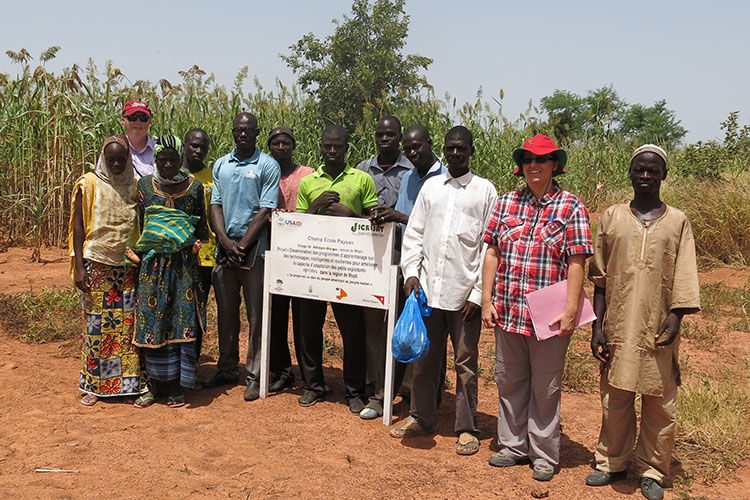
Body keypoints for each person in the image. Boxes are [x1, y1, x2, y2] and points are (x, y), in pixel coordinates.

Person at [585, 145, 700, 500]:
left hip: (657, 326)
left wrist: (676, 317)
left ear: (663, 175)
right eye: (640, 170)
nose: (646, 176)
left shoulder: (678, 221)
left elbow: (684, 275)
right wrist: (597, 325)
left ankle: (653, 469)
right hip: (619, 323)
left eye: (653, 170)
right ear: (630, 173)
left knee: (659, 402)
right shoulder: (612, 217)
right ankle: (612, 461)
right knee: (615, 396)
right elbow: (600, 278)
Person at [480, 134, 593, 481]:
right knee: (509, 380)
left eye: (541, 160)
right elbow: (493, 253)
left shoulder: (570, 206)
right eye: (528, 160)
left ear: (554, 165)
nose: (534, 166)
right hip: (508, 310)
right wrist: (486, 299)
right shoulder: (506, 202)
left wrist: (572, 309)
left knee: (546, 387)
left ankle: (543, 454)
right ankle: (512, 445)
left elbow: (576, 262)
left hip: (549, 317)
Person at [391, 126, 498, 457]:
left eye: (461, 148)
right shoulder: (431, 188)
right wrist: (411, 274)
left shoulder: (485, 192)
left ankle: (466, 427)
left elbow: (489, 249)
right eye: (450, 148)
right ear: (444, 149)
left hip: (464, 297)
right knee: (424, 358)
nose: (455, 153)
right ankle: (422, 418)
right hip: (428, 293)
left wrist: (479, 294)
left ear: (471, 151)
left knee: (465, 362)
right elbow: (415, 234)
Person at [362, 123, 446, 420]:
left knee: (433, 336)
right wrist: (386, 217)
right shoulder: (410, 177)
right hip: (405, 266)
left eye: (417, 147)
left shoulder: (446, 178)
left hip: (437, 270)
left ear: (429, 143)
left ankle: (428, 403)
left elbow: (437, 228)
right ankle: (384, 396)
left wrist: (399, 216)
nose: (412, 153)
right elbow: (407, 228)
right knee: (398, 333)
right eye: (409, 149)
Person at [295, 124, 378, 413]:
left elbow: (374, 225)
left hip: (348, 269)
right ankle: (313, 386)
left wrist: (350, 215)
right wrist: (315, 205)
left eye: (338, 146)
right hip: (313, 267)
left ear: (347, 148)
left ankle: (354, 391)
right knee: (308, 329)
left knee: (353, 332)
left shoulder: (361, 179)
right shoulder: (309, 182)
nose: (332, 151)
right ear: (320, 147)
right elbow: (298, 227)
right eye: (327, 146)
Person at [201, 113, 280, 403]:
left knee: (257, 315)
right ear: (233, 132)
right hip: (225, 249)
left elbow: (265, 210)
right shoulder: (222, 164)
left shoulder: (267, 166)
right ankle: (226, 368)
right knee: (226, 314)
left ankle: (256, 374)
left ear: (257, 132)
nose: (243, 133)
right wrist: (224, 241)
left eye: (249, 129)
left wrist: (243, 245)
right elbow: (216, 205)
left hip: (255, 250)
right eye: (239, 129)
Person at [127, 135, 208, 408]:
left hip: (184, 265)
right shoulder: (144, 187)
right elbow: (142, 223)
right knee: (152, 321)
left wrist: (192, 242)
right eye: (163, 159)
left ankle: (176, 386)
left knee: (179, 322)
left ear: (180, 159)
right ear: (156, 160)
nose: (169, 164)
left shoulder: (195, 187)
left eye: (174, 159)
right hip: (153, 265)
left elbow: (200, 226)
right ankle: (152, 385)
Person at [70, 135, 148, 406]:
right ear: (103, 158)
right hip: (97, 262)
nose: (116, 164)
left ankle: (127, 386)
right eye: (110, 159)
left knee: (126, 328)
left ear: (128, 159)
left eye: (121, 159)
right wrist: (79, 266)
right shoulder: (89, 183)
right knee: (96, 327)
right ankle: (95, 386)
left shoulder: (136, 187)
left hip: (127, 266)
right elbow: (78, 226)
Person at [355, 115, 414, 420]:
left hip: (408, 260)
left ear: (400, 137)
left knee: (409, 326)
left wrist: (395, 215)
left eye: (390, 135)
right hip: (373, 262)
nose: (385, 139)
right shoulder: (363, 170)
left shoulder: (415, 171)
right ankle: (378, 391)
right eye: (380, 135)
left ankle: (410, 388)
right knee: (376, 329)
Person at [267, 126, 314, 393]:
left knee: (304, 319)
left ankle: (309, 375)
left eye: (285, 143)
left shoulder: (307, 174)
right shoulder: (265, 173)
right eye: (276, 143)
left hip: (303, 255)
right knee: (276, 316)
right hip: (274, 253)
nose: (281, 148)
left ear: (293, 146)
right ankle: (282, 371)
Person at [183, 128, 213, 359]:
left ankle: (191, 363)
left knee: (197, 310)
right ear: (185, 145)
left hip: (207, 255)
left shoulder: (212, 178)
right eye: (194, 145)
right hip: (176, 254)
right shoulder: (170, 174)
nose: (198, 150)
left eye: (203, 147)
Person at [96, 101, 156, 178]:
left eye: (143, 118)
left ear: (150, 121)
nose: (138, 122)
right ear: (123, 121)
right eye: (132, 118)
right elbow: (100, 178)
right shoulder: (112, 148)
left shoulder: (160, 150)